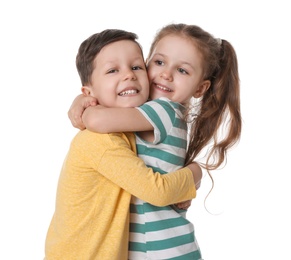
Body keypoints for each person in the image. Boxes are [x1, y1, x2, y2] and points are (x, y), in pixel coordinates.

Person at [68, 23, 242, 259]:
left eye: (183, 71)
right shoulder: (145, 112)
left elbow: (98, 120)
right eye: (159, 62)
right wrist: (87, 96)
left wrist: (84, 105)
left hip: (162, 248)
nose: (166, 74)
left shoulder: (165, 110)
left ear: (200, 88)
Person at [44, 29, 203, 260]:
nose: (129, 75)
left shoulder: (132, 124)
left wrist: (84, 103)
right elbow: (157, 191)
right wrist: (195, 173)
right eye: (112, 70)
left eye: (137, 67)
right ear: (90, 92)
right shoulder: (100, 141)